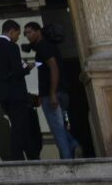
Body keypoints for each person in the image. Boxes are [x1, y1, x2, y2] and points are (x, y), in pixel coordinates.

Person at [23, 22, 79, 159]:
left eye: (29, 32)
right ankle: (72, 145)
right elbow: (46, 63)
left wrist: (52, 93)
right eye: (25, 33)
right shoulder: (47, 46)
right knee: (61, 127)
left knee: (58, 130)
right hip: (60, 93)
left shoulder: (43, 46)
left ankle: (69, 157)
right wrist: (33, 65)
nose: (27, 36)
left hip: (52, 94)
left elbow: (53, 67)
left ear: (38, 31)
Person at [0, 20, 40, 162]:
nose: (18, 37)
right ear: (11, 31)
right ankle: (19, 158)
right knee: (19, 127)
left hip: (3, 95)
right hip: (16, 94)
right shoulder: (11, 47)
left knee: (19, 126)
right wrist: (27, 68)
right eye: (17, 34)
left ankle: (30, 156)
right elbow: (16, 72)